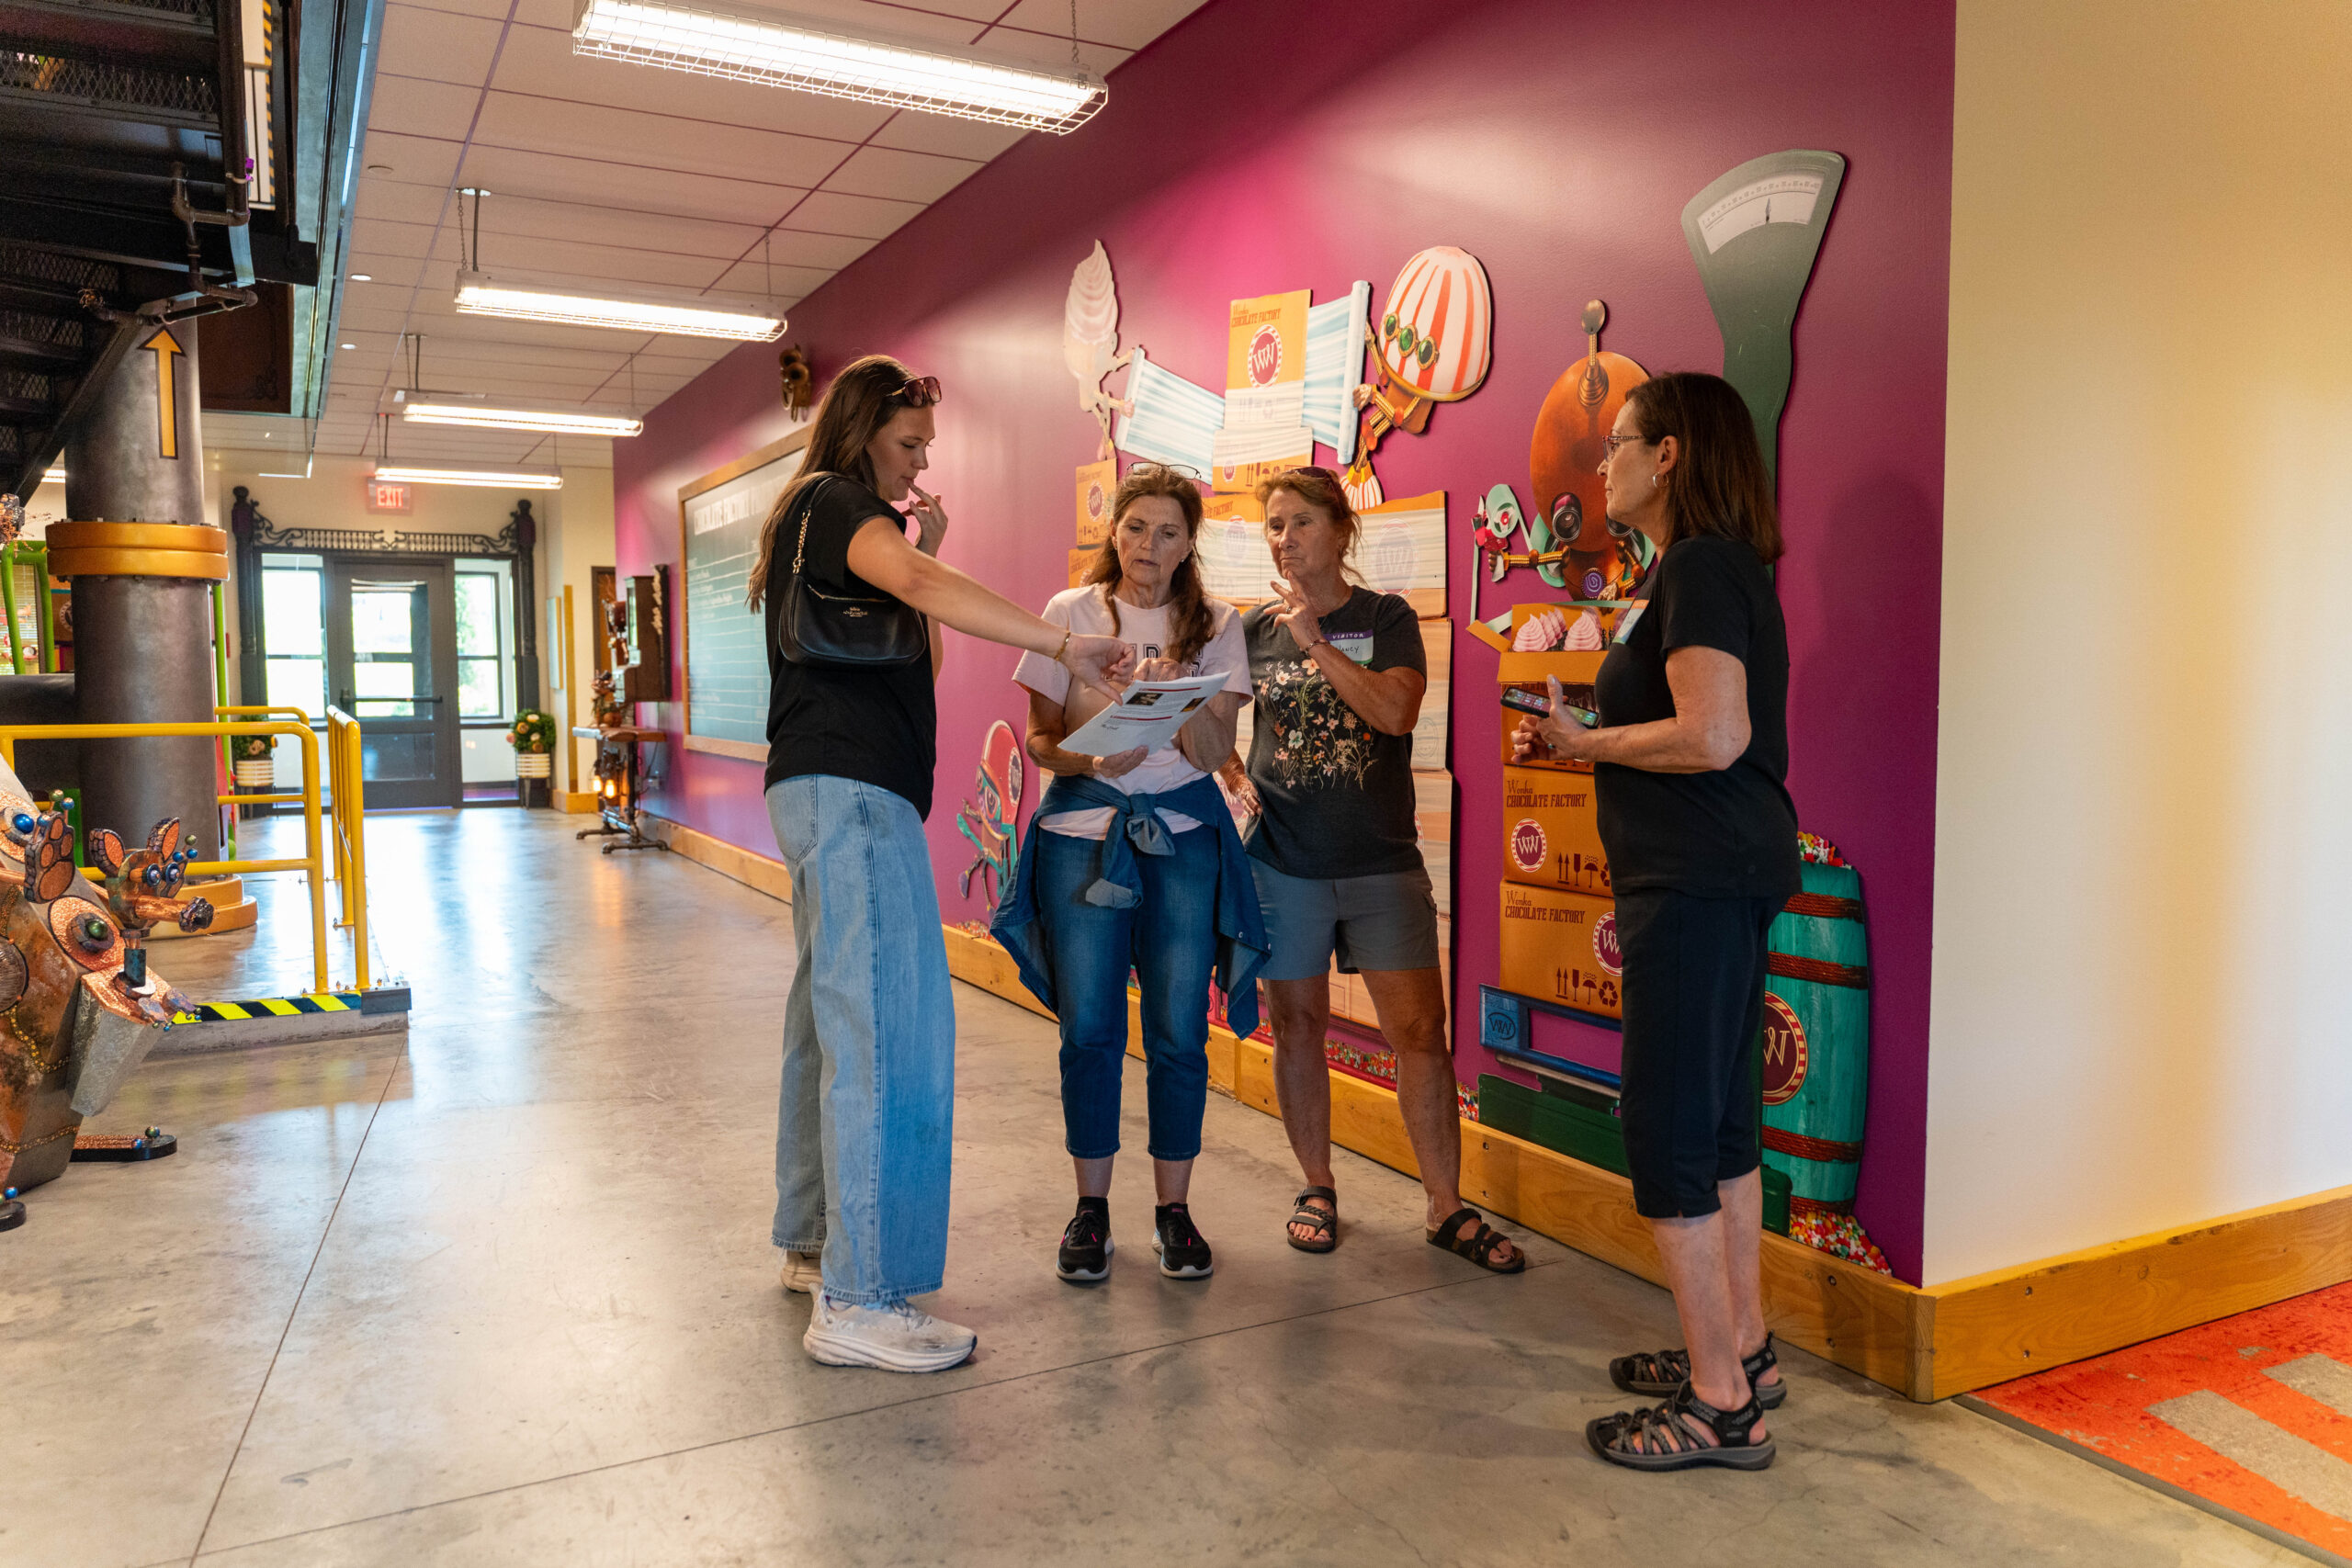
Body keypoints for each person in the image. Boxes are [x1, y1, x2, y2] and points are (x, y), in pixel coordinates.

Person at [749, 354, 1132, 1374]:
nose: (921, 463)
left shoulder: (825, 529)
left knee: (829, 1023)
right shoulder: (828, 501)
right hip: (852, 795)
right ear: (862, 432)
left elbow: (910, 642)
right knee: (888, 1033)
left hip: (826, 792)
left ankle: (819, 1241)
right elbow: (917, 581)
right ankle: (863, 1297)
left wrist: (930, 550)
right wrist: (1064, 646)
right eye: (909, 443)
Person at [1512, 370, 1800, 1471]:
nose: (1603, 463)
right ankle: (1744, 1348)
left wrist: (1586, 746)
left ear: (1669, 453)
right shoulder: (1709, 568)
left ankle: (1722, 1405)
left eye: (1619, 444)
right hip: (1717, 876)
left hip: (1692, 881)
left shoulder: (1699, 564)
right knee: (1720, 1125)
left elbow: (1713, 734)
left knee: (1669, 1133)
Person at [990, 464, 1268, 1286]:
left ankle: (1174, 1211)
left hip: (1183, 836)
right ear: (1115, 531)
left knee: (1181, 1028)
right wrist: (1088, 751)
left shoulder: (1217, 625)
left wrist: (1184, 702)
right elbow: (1040, 739)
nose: (1151, 545)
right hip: (1082, 833)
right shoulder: (1067, 615)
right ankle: (1091, 1208)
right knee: (1090, 1027)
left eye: (1170, 531)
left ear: (1191, 544)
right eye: (1137, 527)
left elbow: (1218, 757)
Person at [1242, 466, 1522, 1272]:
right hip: (1284, 865)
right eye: (1273, 525)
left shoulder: (1385, 618)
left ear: (1339, 530)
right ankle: (1318, 1187)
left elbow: (1395, 712)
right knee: (1296, 1025)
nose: (1283, 538)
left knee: (1420, 1034)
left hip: (1381, 863)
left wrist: (1315, 643)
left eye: (1297, 522)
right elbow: (1221, 722)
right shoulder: (1250, 629)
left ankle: (1444, 1205)